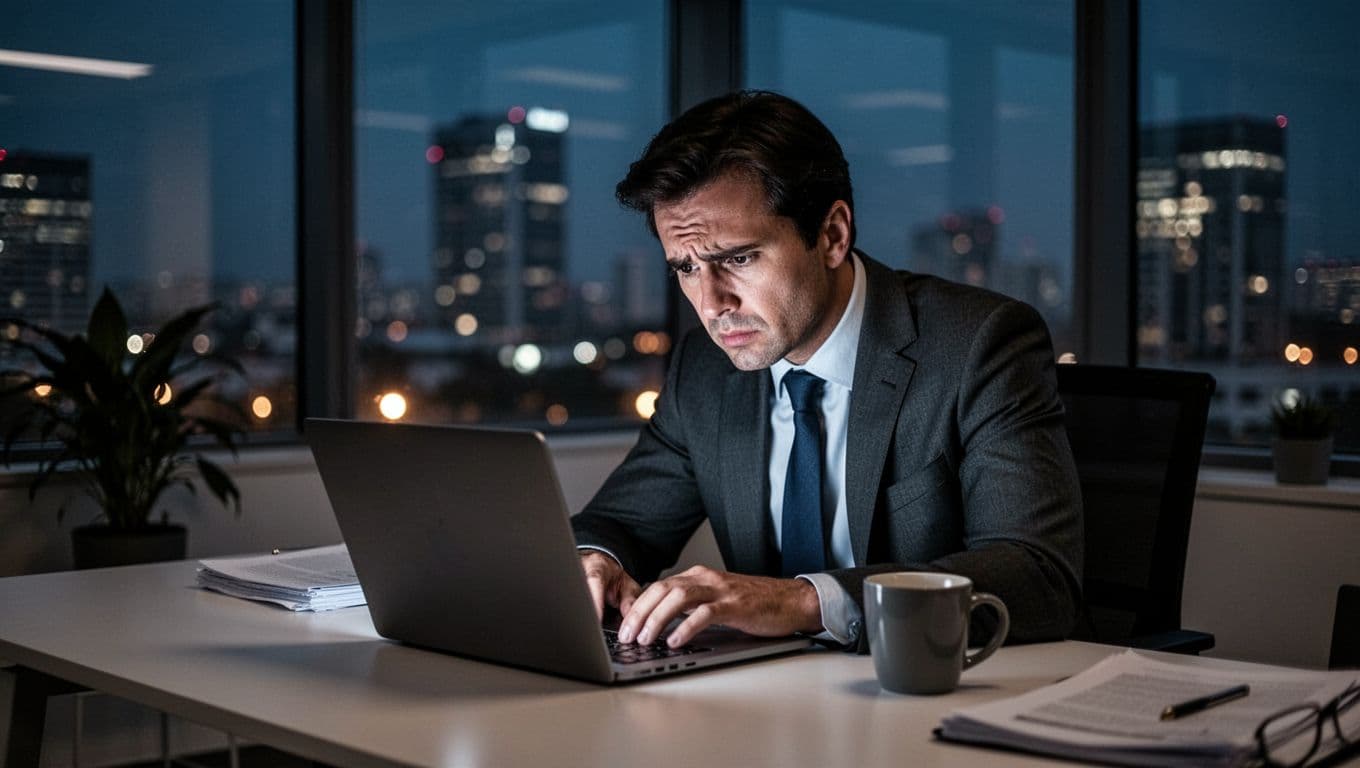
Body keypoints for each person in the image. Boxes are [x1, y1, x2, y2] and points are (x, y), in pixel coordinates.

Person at [572, 90, 1082, 654]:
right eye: (686, 268)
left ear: (833, 235)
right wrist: (595, 562)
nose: (712, 302)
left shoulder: (979, 345)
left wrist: (799, 603)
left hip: (934, 699)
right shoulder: (704, 370)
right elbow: (620, 523)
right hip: (769, 707)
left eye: (738, 258)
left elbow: (1038, 577)